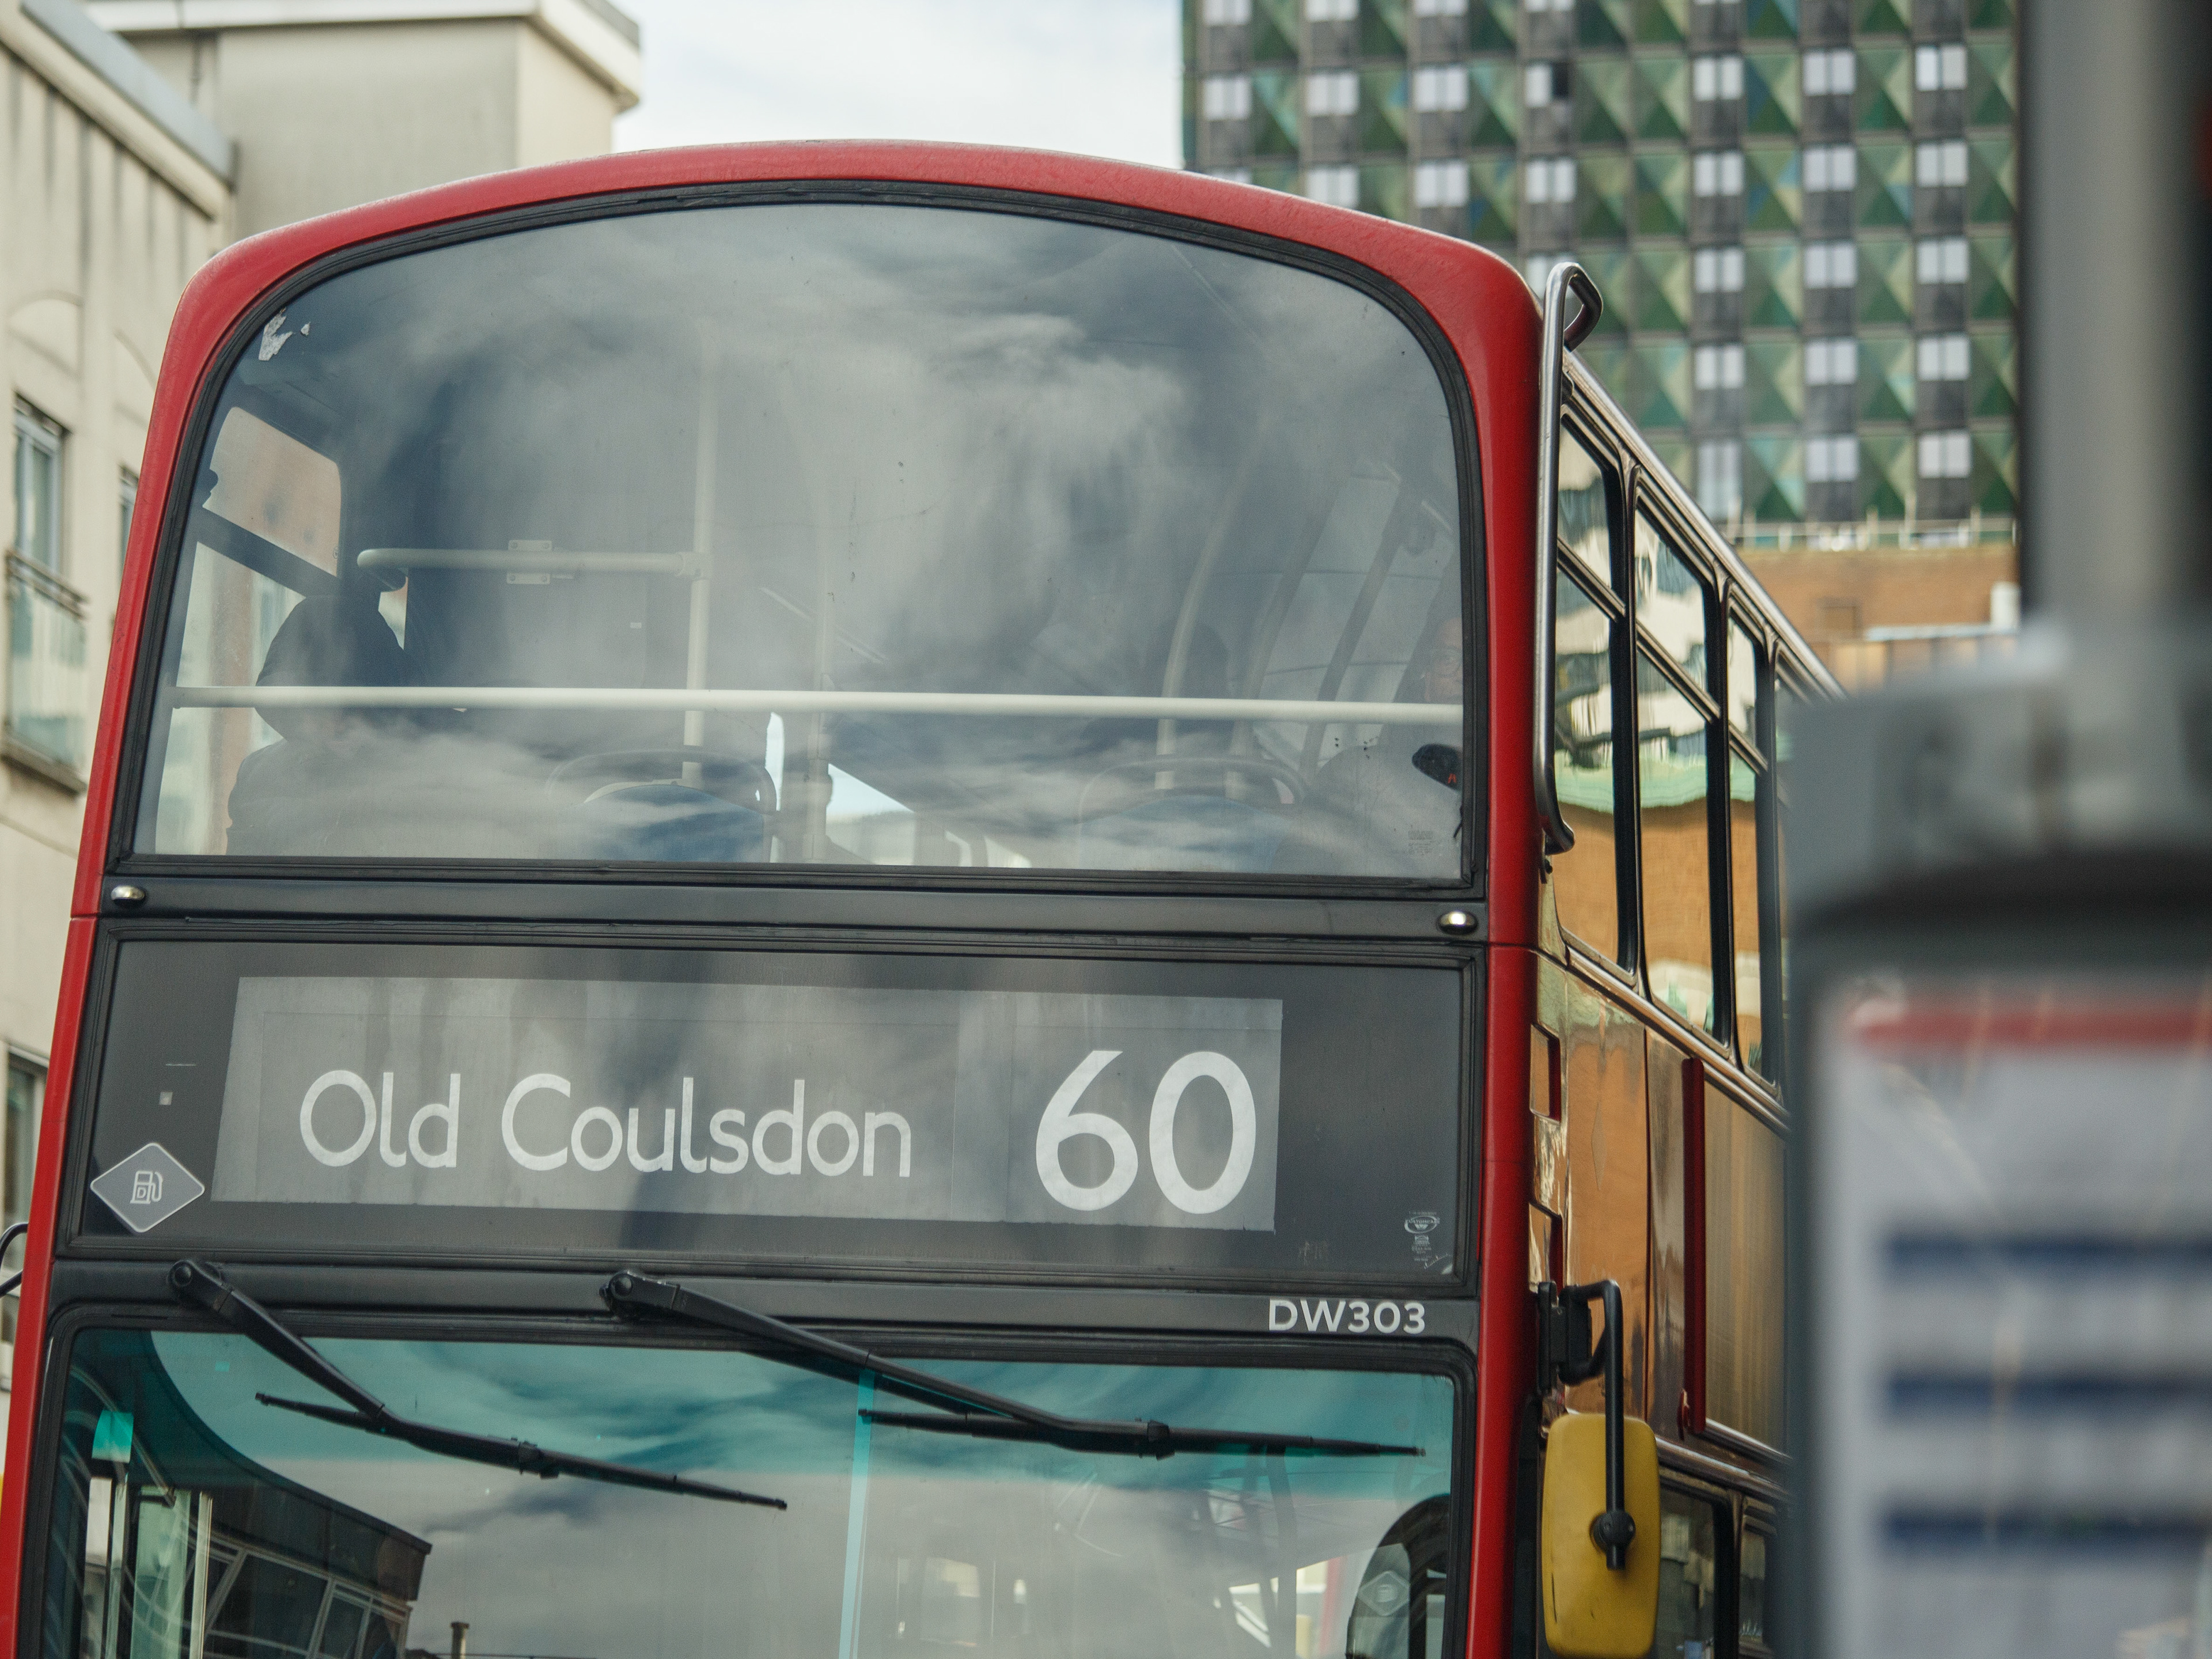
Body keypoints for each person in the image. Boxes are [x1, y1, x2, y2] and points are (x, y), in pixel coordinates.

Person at [1273, 610, 1464, 878]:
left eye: (1478, 663)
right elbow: (1299, 879)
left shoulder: (1518, 789)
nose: (1463, 675)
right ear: (1428, 682)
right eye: (1448, 660)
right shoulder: (1358, 776)